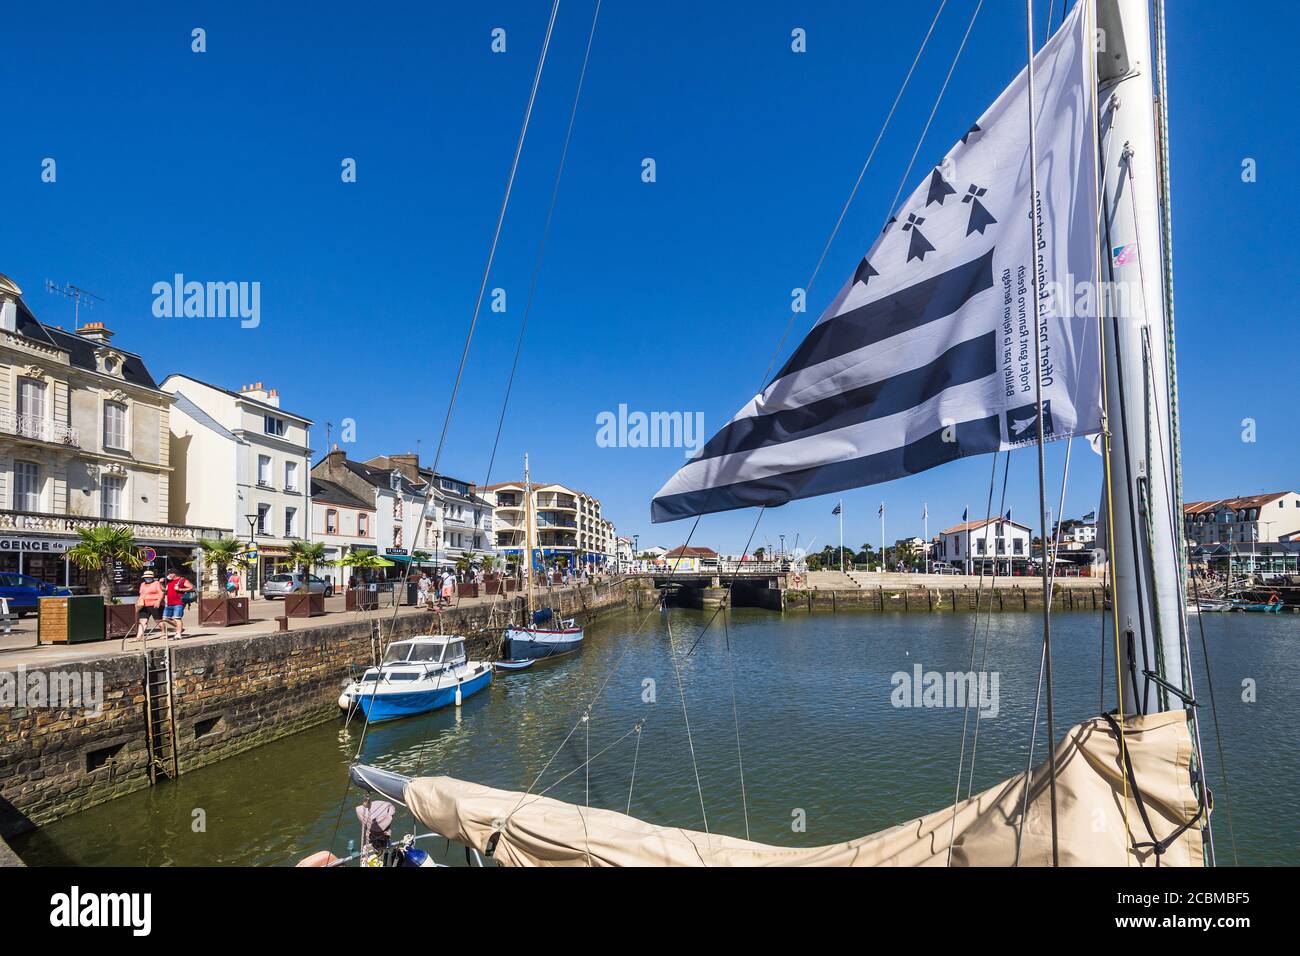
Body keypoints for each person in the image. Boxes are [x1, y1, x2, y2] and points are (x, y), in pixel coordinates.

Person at [133, 570, 165, 642]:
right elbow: (141, 594)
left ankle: (163, 633)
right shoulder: (142, 584)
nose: (147, 578)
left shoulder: (157, 583)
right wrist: (138, 602)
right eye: (146, 577)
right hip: (144, 605)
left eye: (149, 577)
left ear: (152, 577)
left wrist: (158, 601)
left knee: (158, 620)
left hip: (155, 604)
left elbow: (162, 593)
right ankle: (139, 636)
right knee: (142, 620)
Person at [163, 569, 195, 640]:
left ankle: (178, 634)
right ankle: (180, 628)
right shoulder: (169, 582)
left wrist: (180, 589)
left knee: (177, 618)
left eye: (169, 574)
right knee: (165, 618)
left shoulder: (182, 580)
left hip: (179, 602)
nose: (168, 576)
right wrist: (160, 583)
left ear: (174, 574)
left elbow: (191, 587)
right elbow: (165, 591)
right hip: (169, 603)